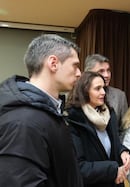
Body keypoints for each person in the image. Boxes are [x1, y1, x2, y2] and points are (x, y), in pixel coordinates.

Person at [0, 34, 83, 186]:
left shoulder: (49, 112)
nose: (79, 73)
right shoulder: (23, 122)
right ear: (53, 63)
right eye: (75, 65)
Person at [65, 71, 130, 187]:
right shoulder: (73, 119)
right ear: (85, 91)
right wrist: (113, 170)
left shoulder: (109, 113)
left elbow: (114, 144)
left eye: (103, 88)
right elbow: (79, 168)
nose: (103, 92)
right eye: (97, 89)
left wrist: (123, 151)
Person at [85, 54, 128, 137]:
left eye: (108, 70)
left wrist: (120, 148)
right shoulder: (80, 95)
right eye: (101, 71)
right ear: (88, 73)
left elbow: (125, 129)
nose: (106, 75)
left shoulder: (120, 96)